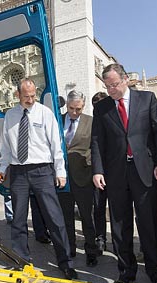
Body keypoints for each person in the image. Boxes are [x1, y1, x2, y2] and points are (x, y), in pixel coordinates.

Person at [92, 63, 157, 283]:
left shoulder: (147, 99)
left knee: (149, 224)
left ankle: (156, 271)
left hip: (144, 171)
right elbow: (97, 141)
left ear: (125, 79)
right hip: (116, 174)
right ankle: (126, 273)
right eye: (107, 86)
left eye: (114, 85)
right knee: (119, 225)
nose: (111, 90)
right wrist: (98, 169)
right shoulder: (102, 107)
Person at [0, 78, 77, 280]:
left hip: (42, 170)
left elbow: (55, 144)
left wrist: (60, 171)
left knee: (54, 218)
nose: (30, 100)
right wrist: (2, 167)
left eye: (33, 96)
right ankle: (20, 259)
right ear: (18, 95)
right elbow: (5, 145)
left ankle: (65, 262)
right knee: (19, 219)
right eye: (26, 96)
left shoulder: (45, 113)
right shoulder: (10, 115)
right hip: (18, 172)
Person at [58, 90, 98, 267]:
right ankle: (70, 248)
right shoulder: (57, 120)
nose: (74, 113)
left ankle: (91, 250)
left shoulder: (91, 121)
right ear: (67, 105)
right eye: (71, 108)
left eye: (78, 109)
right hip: (62, 178)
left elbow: (95, 146)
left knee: (86, 217)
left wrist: (90, 164)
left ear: (84, 106)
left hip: (83, 175)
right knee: (66, 216)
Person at [91, 91, 109, 255]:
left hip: (117, 172)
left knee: (119, 209)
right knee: (98, 207)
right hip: (98, 172)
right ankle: (100, 238)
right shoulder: (93, 122)